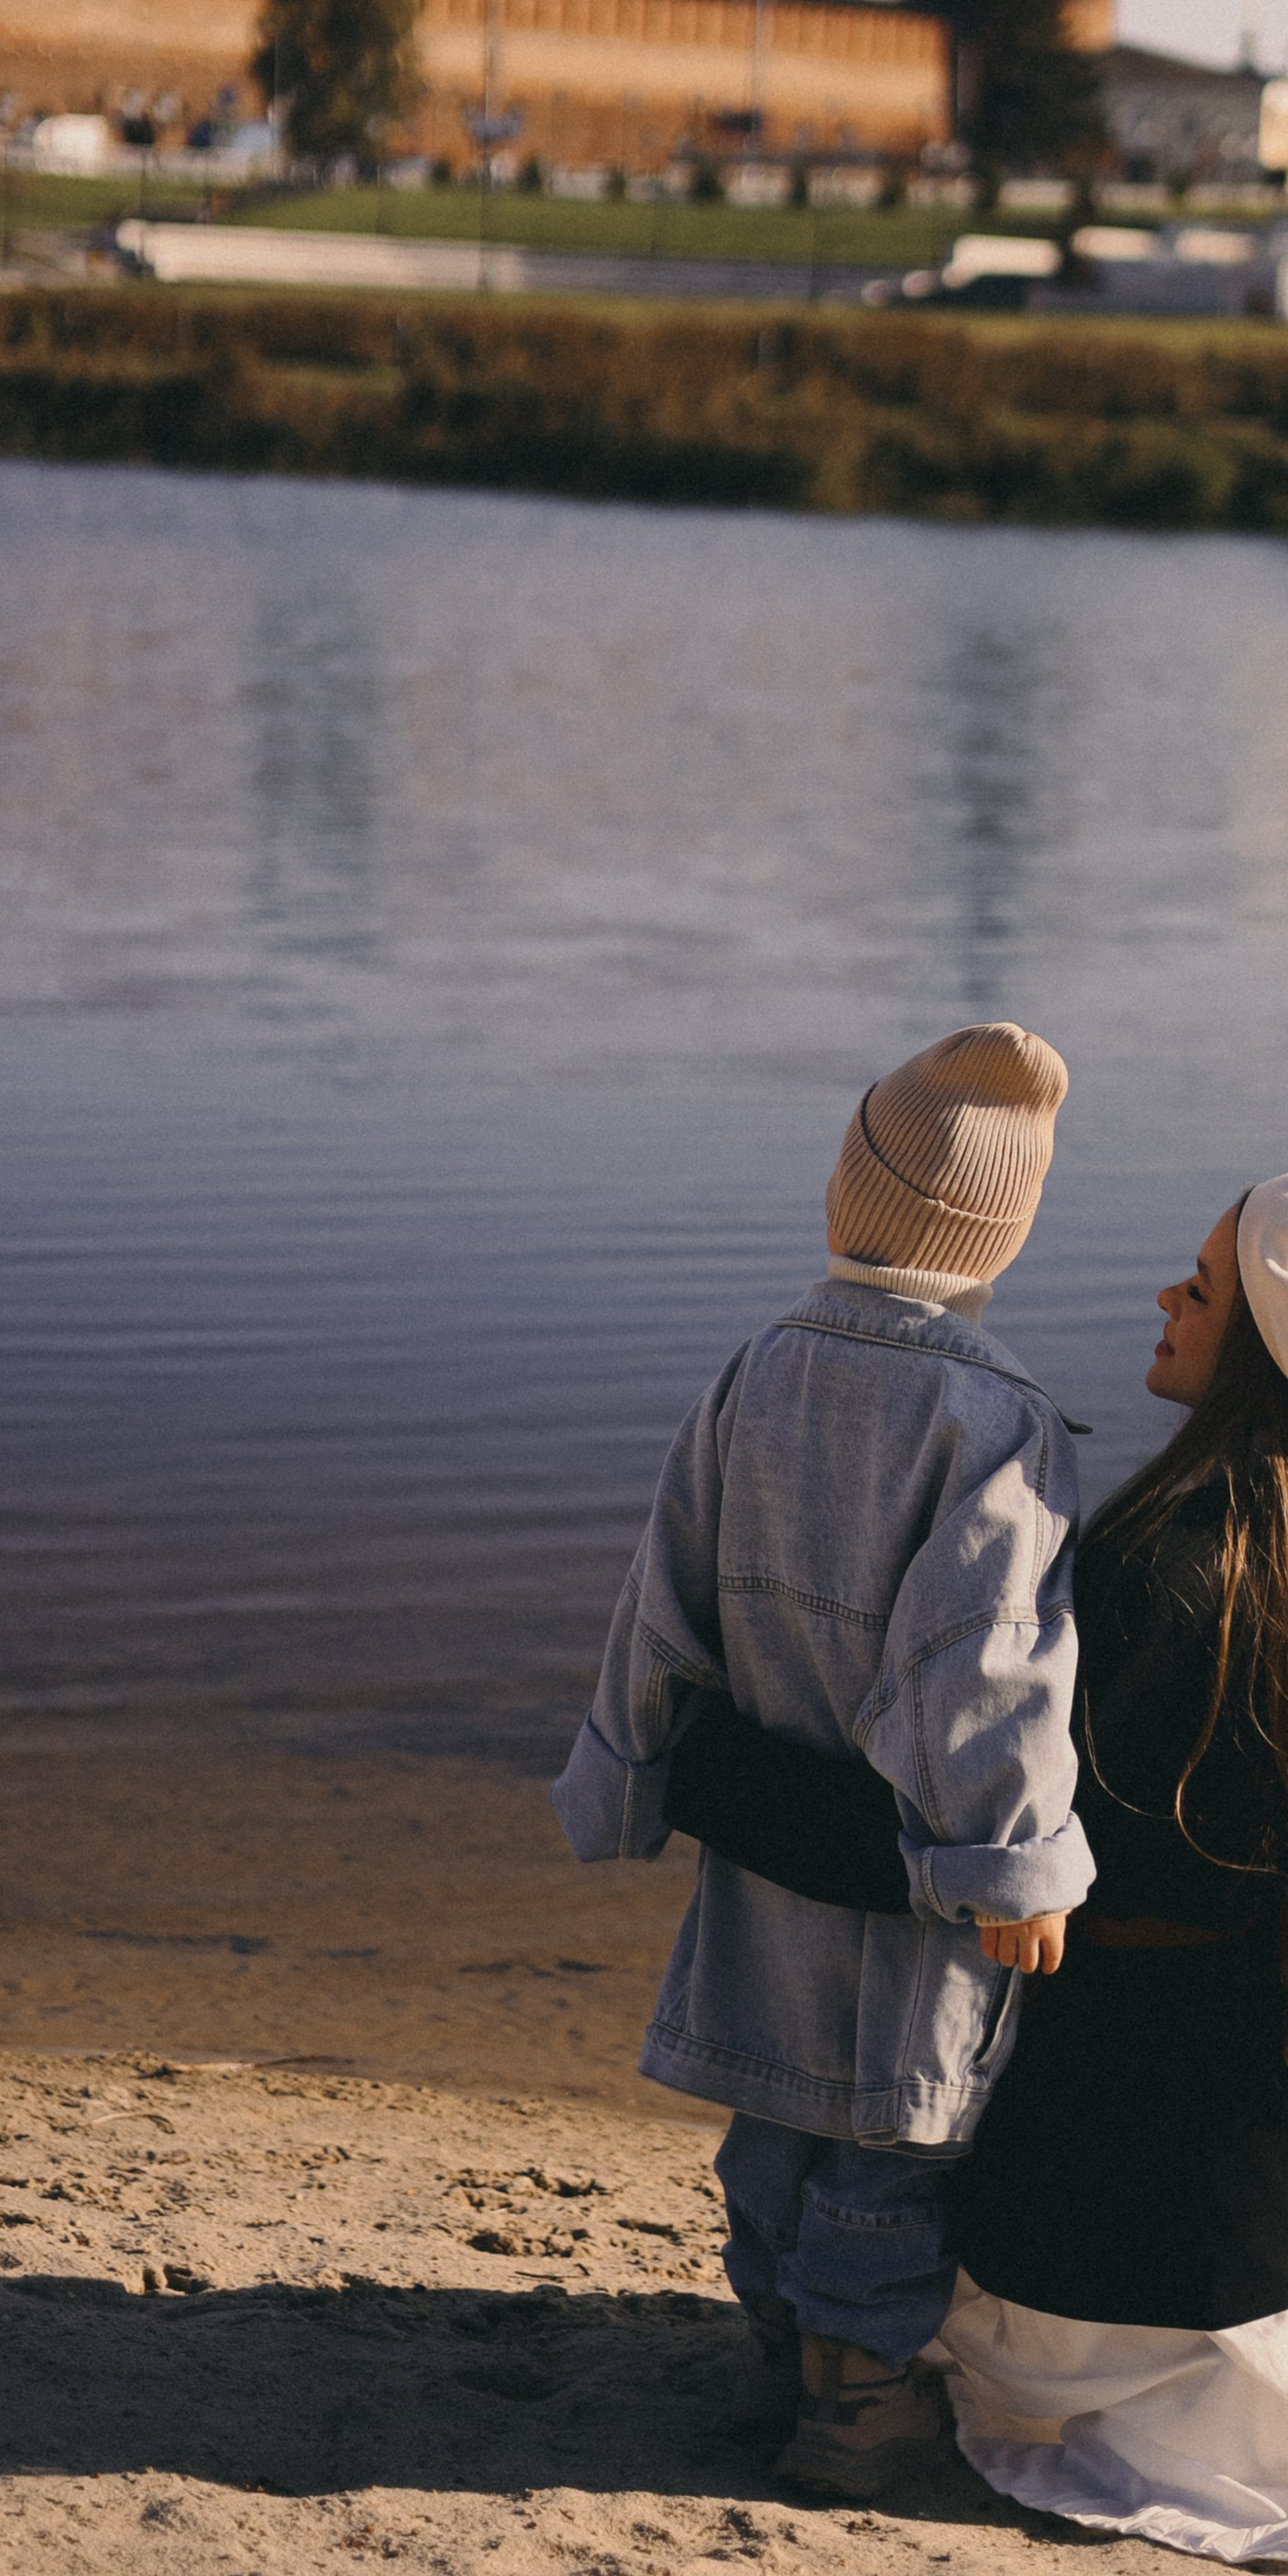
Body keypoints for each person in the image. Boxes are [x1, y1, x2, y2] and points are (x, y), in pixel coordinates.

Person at [665, 1164, 1288, 2576]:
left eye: (1200, 1288)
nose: (1165, 1297)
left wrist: (703, 1762)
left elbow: (963, 1845)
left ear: (1265, 1339)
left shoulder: (1172, 1573)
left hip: (1126, 2237)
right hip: (1280, 2208)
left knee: (912, 1999)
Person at [551, 1025, 1095, 2500]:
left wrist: (624, 1771)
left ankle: (773, 2355)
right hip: (907, 1864)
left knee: (776, 2113)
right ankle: (857, 2413)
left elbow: (660, 1590)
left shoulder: (759, 1369)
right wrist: (1015, 1861)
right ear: (1006, 1235)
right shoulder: (995, 1416)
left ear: (844, 1196)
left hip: (768, 1833)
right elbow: (987, 1658)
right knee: (893, 2137)